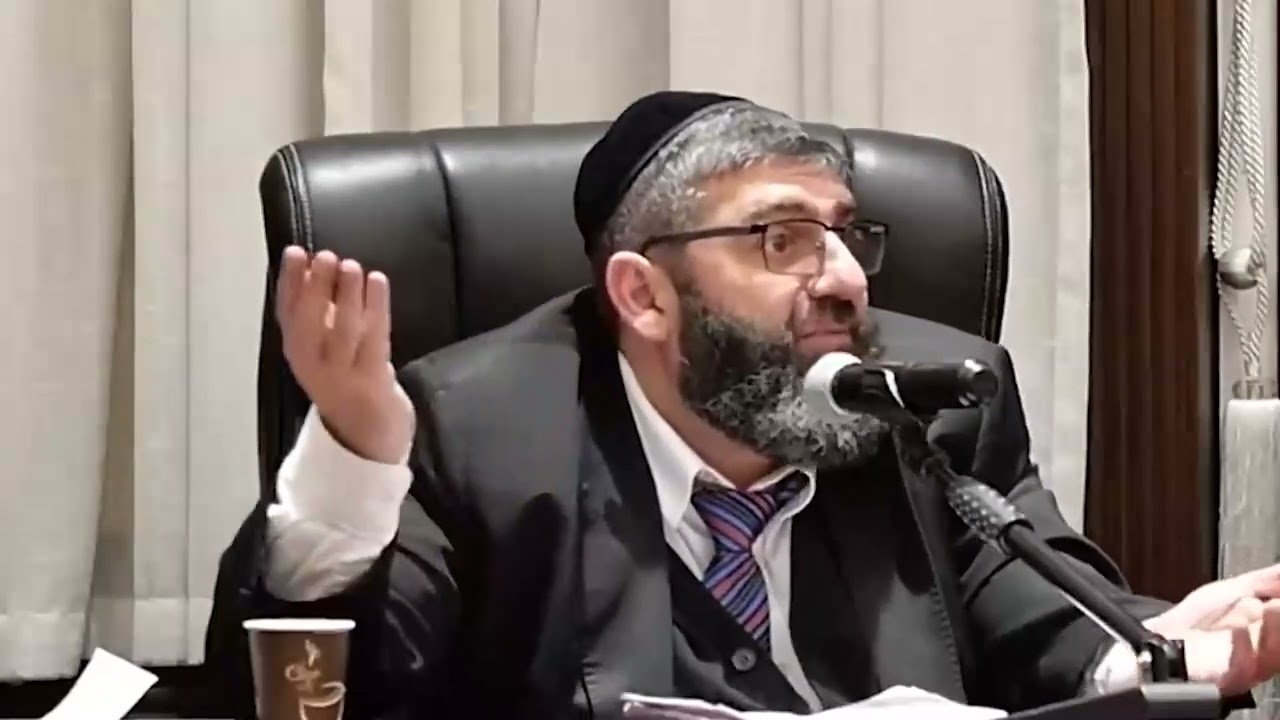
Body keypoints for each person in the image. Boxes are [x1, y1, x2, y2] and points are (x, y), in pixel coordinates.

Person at [206, 91, 1280, 719]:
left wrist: (1152, 655)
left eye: (846, 235)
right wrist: (355, 461)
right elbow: (333, 694)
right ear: (643, 295)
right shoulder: (474, 429)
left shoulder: (929, 406)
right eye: (781, 240)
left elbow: (1034, 618)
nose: (846, 281)